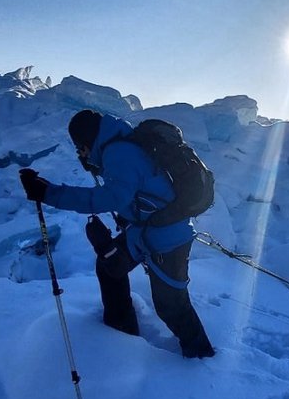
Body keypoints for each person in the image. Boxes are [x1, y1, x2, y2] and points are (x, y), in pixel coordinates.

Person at [19, 109, 215, 358]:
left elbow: (111, 197)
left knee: (171, 306)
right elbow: (132, 187)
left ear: (87, 141)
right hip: (147, 230)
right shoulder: (117, 148)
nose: (80, 153)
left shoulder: (119, 153)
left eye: (80, 147)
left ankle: (201, 356)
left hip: (167, 237)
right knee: (109, 267)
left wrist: (48, 193)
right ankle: (120, 333)